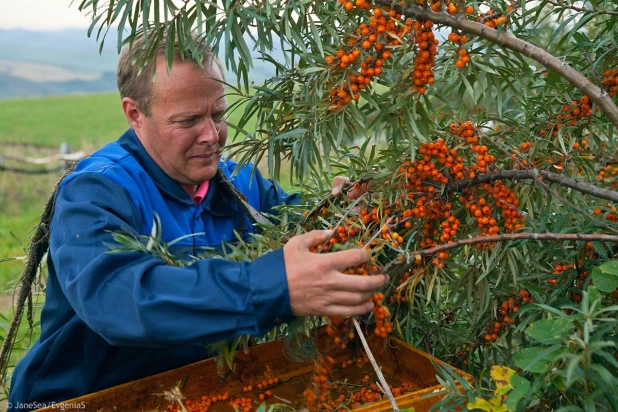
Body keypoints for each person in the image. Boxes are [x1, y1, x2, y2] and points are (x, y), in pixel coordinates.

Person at [8, 36, 387, 409]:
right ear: (135, 113)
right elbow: (122, 299)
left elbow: (301, 222)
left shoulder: (240, 184)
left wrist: (347, 212)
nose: (212, 136)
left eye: (218, 115)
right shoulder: (95, 193)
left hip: (192, 394)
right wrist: (273, 288)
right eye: (189, 120)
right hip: (83, 400)